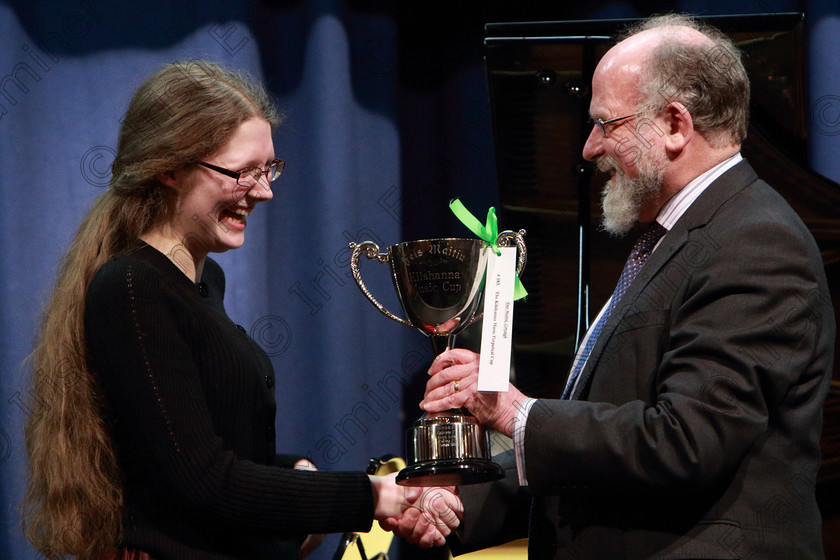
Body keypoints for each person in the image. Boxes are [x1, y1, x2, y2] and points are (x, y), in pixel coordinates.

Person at [384, 13, 836, 559]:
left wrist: (514, 413)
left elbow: (687, 441)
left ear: (675, 124)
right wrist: (461, 506)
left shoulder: (755, 242)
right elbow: (604, 447)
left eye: (606, 124)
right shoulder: (675, 240)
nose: (589, 148)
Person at [23, 60, 457, 560]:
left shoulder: (204, 281)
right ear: (168, 166)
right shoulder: (132, 288)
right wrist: (375, 496)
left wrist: (293, 476)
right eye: (243, 172)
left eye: (269, 168)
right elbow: (203, 484)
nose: (265, 190)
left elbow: (201, 452)